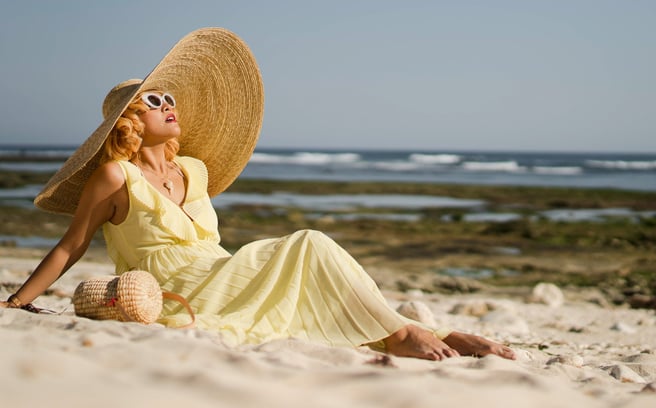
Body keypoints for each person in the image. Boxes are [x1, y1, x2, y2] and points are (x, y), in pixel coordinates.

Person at [0, 28, 515, 361]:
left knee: (308, 265)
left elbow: (211, 249)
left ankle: (427, 335)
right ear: (129, 122)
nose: (168, 104)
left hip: (221, 271)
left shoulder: (195, 170)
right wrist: (17, 302)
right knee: (309, 244)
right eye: (154, 100)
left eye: (169, 96)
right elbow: (72, 245)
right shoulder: (115, 178)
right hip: (177, 288)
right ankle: (407, 337)